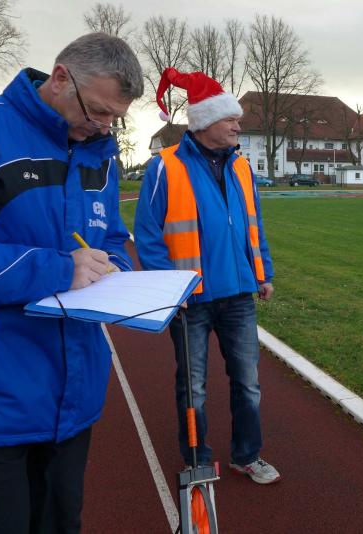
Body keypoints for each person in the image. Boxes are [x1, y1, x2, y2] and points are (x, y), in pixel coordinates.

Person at [0, 33, 143, 533]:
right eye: (97, 110)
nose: (104, 126)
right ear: (59, 78)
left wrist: (119, 272)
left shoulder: (100, 151)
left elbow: (110, 237)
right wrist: (58, 269)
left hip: (71, 407)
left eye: (115, 118)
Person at [134, 68, 280, 484]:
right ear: (206, 121)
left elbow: (254, 225)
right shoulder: (164, 166)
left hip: (239, 295)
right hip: (190, 300)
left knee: (248, 383)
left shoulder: (242, 168)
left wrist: (263, 272)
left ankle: (247, 455)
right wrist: (169, 287)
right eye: (230, 119)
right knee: (193, 387)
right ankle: (197, 460)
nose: (238, 126)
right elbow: (148, 233)